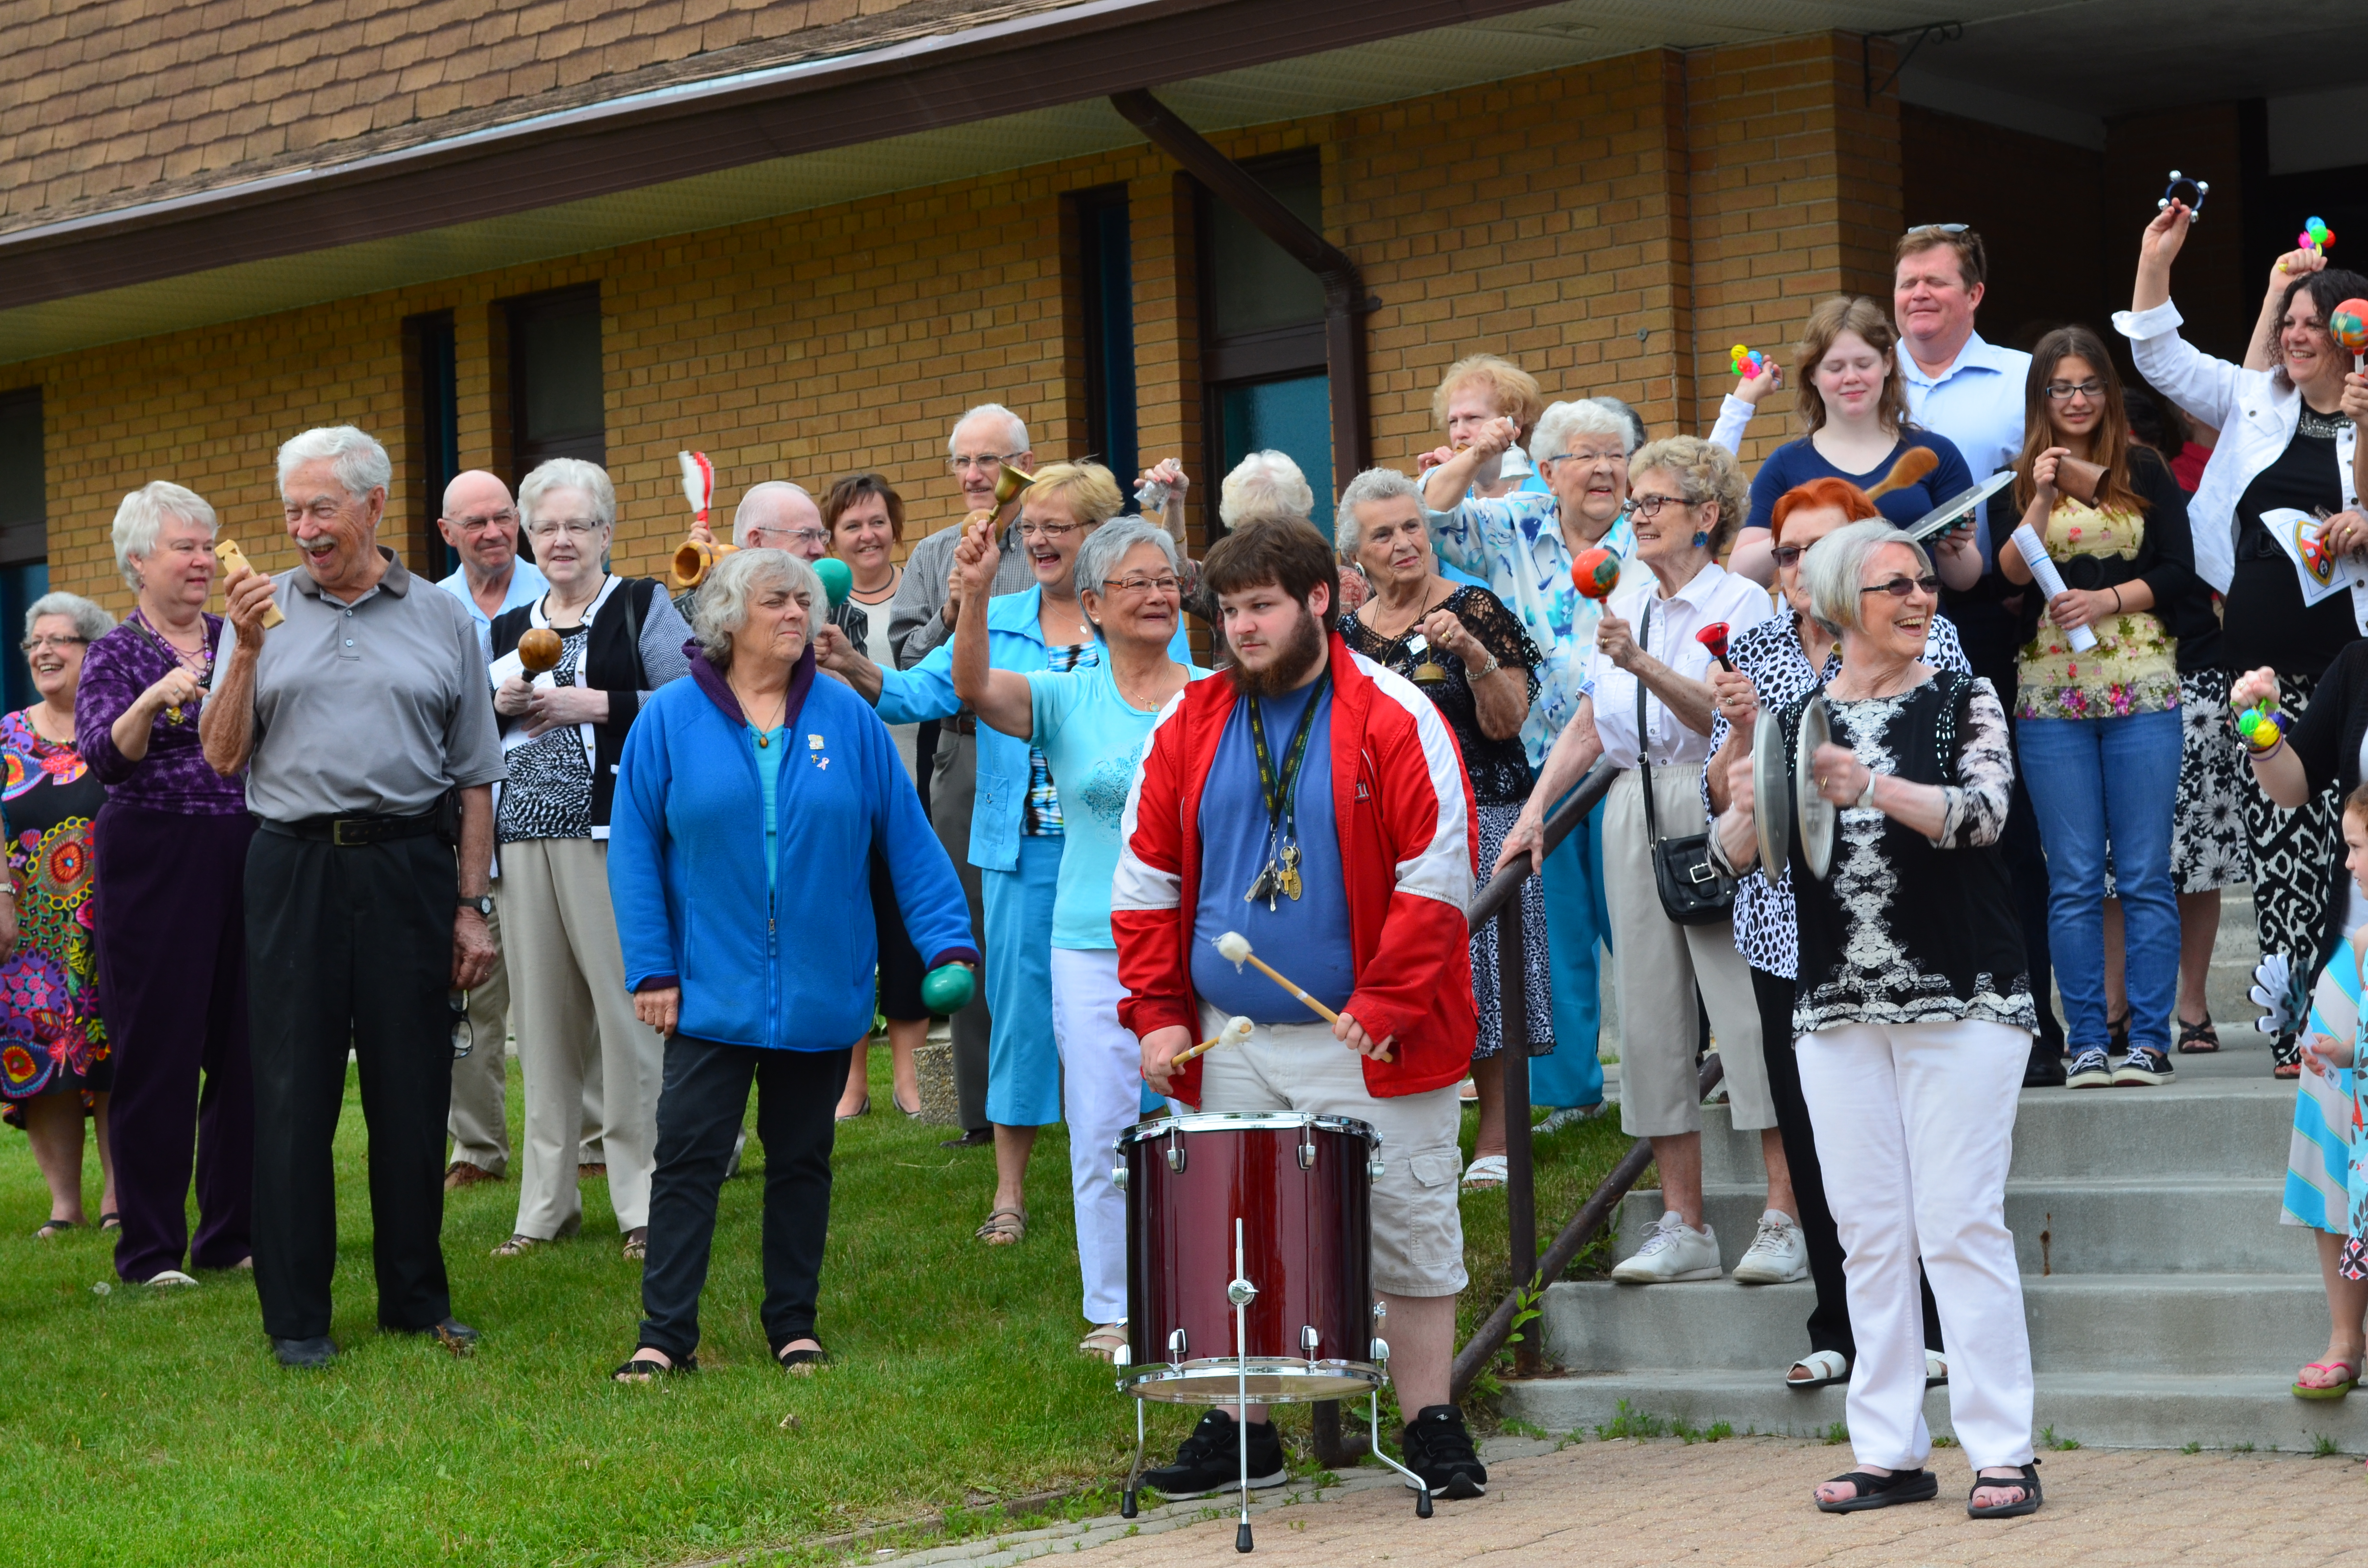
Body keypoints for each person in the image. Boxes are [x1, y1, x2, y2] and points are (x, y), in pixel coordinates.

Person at [1118, 516, 1489, 1500]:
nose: (1241, 628)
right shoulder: (1187, 724)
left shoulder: (1394, 714)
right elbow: (1145, 886)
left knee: (1411, 1224)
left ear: (1321, 600)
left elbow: (1439, 876)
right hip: (1226, 1035)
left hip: (1366, 1035)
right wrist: (1158, 1013)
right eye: (1230, 610)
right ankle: (1243, 1432)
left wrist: (1385, 998)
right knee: (1235, 1232)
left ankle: (1430, 1423)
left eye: (1262, 607)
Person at [1712, 520, 2040, 1519]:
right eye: (1895, 585)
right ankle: (1891, 1452)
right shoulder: (1793, 720)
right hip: (1836, 1005)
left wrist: (1874, 785)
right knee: (1865, 1232)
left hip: (1964, 996)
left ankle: (2003, 1452)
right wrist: (1737, 800)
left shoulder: (1962, 696)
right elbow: (1733, 861)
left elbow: (1983, 815)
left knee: (1958, 1222)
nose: (1920, 600)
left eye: (1925, 584)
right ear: (1843, 602)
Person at [605, 549, 975, 1382]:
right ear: (728, 616)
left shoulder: (845, 716)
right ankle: (664, 1334)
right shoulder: (667, 718)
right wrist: (652, 969)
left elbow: (908, 842)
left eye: (804, 602)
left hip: (819, 985)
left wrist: (948, 941)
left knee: (802, 1159)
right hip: (706, 989)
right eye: (776, 601)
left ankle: (793, 1325)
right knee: (689, 1157)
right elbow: (632, 854)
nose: (796, 616)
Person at [200, 424, 504, 1369]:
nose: (302, 530)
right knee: (292, 1096)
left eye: (320, 509)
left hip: (409, 868)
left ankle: (416, 1301)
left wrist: (469, 905)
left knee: (412, 1091)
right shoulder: (256, 613)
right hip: (291, 867)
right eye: (291, 510)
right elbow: (221, 754)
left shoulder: (444, 619)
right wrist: (245, 648)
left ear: (374, 507)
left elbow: (475, 778)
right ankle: (297, 1319)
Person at [826, 463, 1188, 1245]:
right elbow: (917, 693)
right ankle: (1010, 1189)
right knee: (1017, 1017)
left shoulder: (1140, 615)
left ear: (1098, 533)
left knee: (1153, 1008)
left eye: (1058, 525)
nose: (1039, 538)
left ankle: (1160, 1167)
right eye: (1032, 526)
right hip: (1022, 846)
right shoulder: (1003, 613)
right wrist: (848, 663)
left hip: (1134, 858)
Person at [1498, 437, 1794, 1285]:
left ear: (1706, 515)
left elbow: (1724, 715)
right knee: (1651, 1014)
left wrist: (1640, 660)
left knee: (1740, 1005)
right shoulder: (1625, 592)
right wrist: (1533, 813)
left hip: (1714, 793)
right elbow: (1591, 719)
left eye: (1653, 502)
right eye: (1633, 503)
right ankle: (1682, 1220)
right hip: (1627, 798)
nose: (1636, 515)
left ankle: (1783, 1210)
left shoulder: (1741, 600)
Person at [1702, 478, 1967, 1386]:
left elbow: (1956, 774)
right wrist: (1739, 736)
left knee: (1915, 1146)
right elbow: (1723, 804)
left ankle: (1930, 1331)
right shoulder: (1756, 652)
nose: (1799, 569)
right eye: (1784, 554)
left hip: (1910, 925)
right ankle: (1839, 1328)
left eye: (1818, 551)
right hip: (1791, 931)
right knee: (1822, 1143)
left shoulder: (1923, 633)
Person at [2118, 196, 2368, 1077]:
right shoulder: (2253, 402)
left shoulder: (2366, 416)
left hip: (2354, 665)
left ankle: (2356, 1021)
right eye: (2288, 322)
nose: (2297, 336)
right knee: (2281, 851)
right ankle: (2292, 1030)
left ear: (2349, 329)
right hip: (2260, 672)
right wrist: (2158, 259)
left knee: (2355, 845)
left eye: (2314, 322)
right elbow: (2155, 352)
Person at [947, 514, 1206, 1358]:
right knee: (1102, 1125)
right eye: (1136, 582)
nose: (1157, 594)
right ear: (1091, 603)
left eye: (1166, 579)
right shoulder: (1062, 692)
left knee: (1203, 1125)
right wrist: (977, 593)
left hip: (1202, 945)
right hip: (1092, 943)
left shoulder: (1214, 693)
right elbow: (975, 686)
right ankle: (1116, 1306)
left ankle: (1205, 1295)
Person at [484, 457, 691, 1262]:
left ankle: (643, 1200)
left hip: (614, 841)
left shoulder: (639, 603)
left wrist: (594, 703)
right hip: (523, 841)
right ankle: (544, 1206)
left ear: (606, 531)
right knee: (539, 1028)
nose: (561, 539)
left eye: (577, 525)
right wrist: (498, 706)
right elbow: (481, 735)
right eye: (547, 528)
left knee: (628, 1016)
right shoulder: (509, 625)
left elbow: (694, 696)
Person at [1421, 398, 1640, 1118]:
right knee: (1559, 934)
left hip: (1629, 763)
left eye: (1617, 453)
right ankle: (1568, 1097)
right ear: (1547, 471)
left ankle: (1664, 1080)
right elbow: (1431, 512)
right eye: (1586, 454)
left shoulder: (1648, 533)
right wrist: (1476, 449)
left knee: (1645, 932)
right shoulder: (1512, 522)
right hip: (1536, 768)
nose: (1606, 468)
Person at [1995, 329, 2199, 1090]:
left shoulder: (2141, 466)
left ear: (2108, 394)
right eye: (2061, 389)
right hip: (2050, 699)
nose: (2076, 401)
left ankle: (2148, 1039)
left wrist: (2109, 597)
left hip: (2143, 688)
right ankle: (2086, 1039)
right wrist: (2044, 491)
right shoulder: (2017, 479)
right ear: (2040, 398)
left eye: (2089, 386)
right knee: (2074, 877)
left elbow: (2182, 570)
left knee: (2145, 873)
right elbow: (2008, 575)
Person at [1334, 467, 1547, 1189]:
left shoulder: (1474, 607)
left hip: (1483, 814)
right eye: (1382, 534)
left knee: (1484, 973)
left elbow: (1511, 720)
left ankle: (1496, 1138)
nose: (1403, 544)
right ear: (1355, 556)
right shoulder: (1344, 635)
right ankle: (1404, 1129)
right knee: (1390, 972)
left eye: (1412, 527)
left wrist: (1471, 655)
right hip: (1381, 831)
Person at [79, 484, 254, 1286]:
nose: (201, 560)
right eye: (185, 546)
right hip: (154, 857)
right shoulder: (117, 652)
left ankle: (230, 1234)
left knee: (246, 1048)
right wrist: (152, 698)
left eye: (207, 544)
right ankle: (149, 1251)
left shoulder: (237, 637)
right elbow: (104, 758)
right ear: (137, 561)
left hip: (248, 848)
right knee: (159, 1052)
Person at [888, 402, 1041, 1148]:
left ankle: (1079, 1100)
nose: (978, 476)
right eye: (965, 462)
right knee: (968, 927)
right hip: (966, 752)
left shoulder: (1054, 544)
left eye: (994, 461)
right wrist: (953, 605)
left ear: (1026, 467)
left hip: (1049, 744)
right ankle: (976, 1114)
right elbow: (911, 656)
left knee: (1054, 926)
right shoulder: (932, 551)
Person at [2104, 387, 2242, 1057]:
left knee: (2200, 857)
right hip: (2105, 684)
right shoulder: (2075, 500)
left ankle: (2192, 1003)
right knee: (2110, 863)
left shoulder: (2192, 489)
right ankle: (2114, 1006)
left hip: (2195, 676)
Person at [432, 470, 553, 1192]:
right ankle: (475, 1149)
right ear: (447, 533)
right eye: (475, 522)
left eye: (503, 518)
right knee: (469, 987)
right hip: (462, 827)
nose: (493, 532)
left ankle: (590, 1138)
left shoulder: (559, 591)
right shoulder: (425, 608)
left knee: (561, 985)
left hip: (547, 817)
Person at [1733, 296, 1982, 596]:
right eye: (1835, 367)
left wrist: (1951, 550)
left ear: (1888, 363)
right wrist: (1800, 533)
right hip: (1822, 638)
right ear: (1813, 374)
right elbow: (1740, 574)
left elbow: (1966, 578)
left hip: (1916, 632)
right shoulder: (1785, 465)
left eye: (1864, 364)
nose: (1851, 378)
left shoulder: (1935, 455)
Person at [5, 592, 115, 1243]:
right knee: (41, 1061)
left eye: (60, 640)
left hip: (116, 923)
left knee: (118, 1059)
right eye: (34, 642)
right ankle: (64, 1205)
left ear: (93, 651)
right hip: (30, 933)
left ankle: (119, 1200)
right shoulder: (7, 735)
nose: (44, 651)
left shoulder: (119, 729)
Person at [822, 472, 927, 1121]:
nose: (868, 535)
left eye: (878, 521)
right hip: (840, 795)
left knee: (910, 933)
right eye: (853, 525)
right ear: (832, 538)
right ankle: (851, 1083)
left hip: (918, 786)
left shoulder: (920, 597)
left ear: (896, 527)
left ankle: (915, 1081)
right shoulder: (816, 606)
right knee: (849, 931)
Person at [2286, 786, 2368, 1402]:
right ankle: (2345, 1337)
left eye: (2355, 848)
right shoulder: (2360, 941)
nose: (2344, 863)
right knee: (2334, 1150)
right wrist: (2338, 1052)